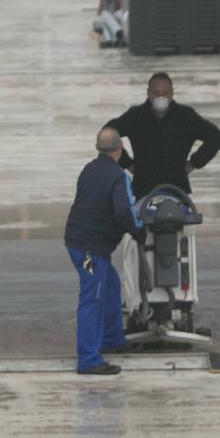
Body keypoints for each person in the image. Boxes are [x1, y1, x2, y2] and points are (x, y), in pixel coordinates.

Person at [63, 127, 143, 375]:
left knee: (110, 285)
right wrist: (137, 229)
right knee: (93, 298)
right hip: (90, 247)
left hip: (80, 241)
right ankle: (88, 359)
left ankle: (112, 340)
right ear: (120, 149)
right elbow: (123, 211)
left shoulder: (89, 169)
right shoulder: (119, 177)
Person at [104, 71, 220, 199]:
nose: (160, 97)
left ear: (172, 94)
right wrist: (127, 163)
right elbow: (107, 134)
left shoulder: (185, 116)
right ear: (149, 93)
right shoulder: (136, 116)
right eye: (156, 93)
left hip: (177, 189)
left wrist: (193, 163)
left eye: (165, 93)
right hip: (143, 190)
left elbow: (216, 137)